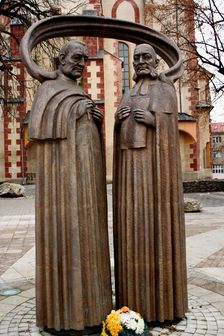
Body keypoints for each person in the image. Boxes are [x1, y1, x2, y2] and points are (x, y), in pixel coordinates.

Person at [29, 41, 112, 334]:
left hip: (88, 178)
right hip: (64, 181)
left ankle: (95, 304)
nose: (81, 64)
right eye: (77, 58)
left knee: (90, 234)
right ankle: (68, 311)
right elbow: (37, 128)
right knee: (70, 235)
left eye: (85, 60)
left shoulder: (79, 90)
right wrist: (75, 112)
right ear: (61, 59)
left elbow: (84, 127)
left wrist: (96, 120)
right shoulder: (48, 89)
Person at [113, 43, 188, 323]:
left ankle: (161, 304)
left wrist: (155, 122)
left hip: (154, 176)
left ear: (156, 61)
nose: (141, 61)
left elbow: (172, 132)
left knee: (154, 227)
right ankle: (131, 301)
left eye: (146, 57)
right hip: (130, 173)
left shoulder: (165, 90)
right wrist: (118, 123)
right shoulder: (128, 92)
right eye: (136, 58)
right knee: (132, 226)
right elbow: (119, 132)